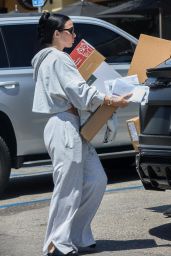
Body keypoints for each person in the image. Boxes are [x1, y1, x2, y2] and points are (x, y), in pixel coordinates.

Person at [32, 12, 131, 256]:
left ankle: (76, 235)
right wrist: (110, 99)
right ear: (57, 34)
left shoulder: (48, 58)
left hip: (68, 126)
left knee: (96, 180)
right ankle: (56, 244)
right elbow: (80, 92)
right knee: (68, 188)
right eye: (71, 30)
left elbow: (77, 91)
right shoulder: (59, 58)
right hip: (64, 126)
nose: (75, 36)